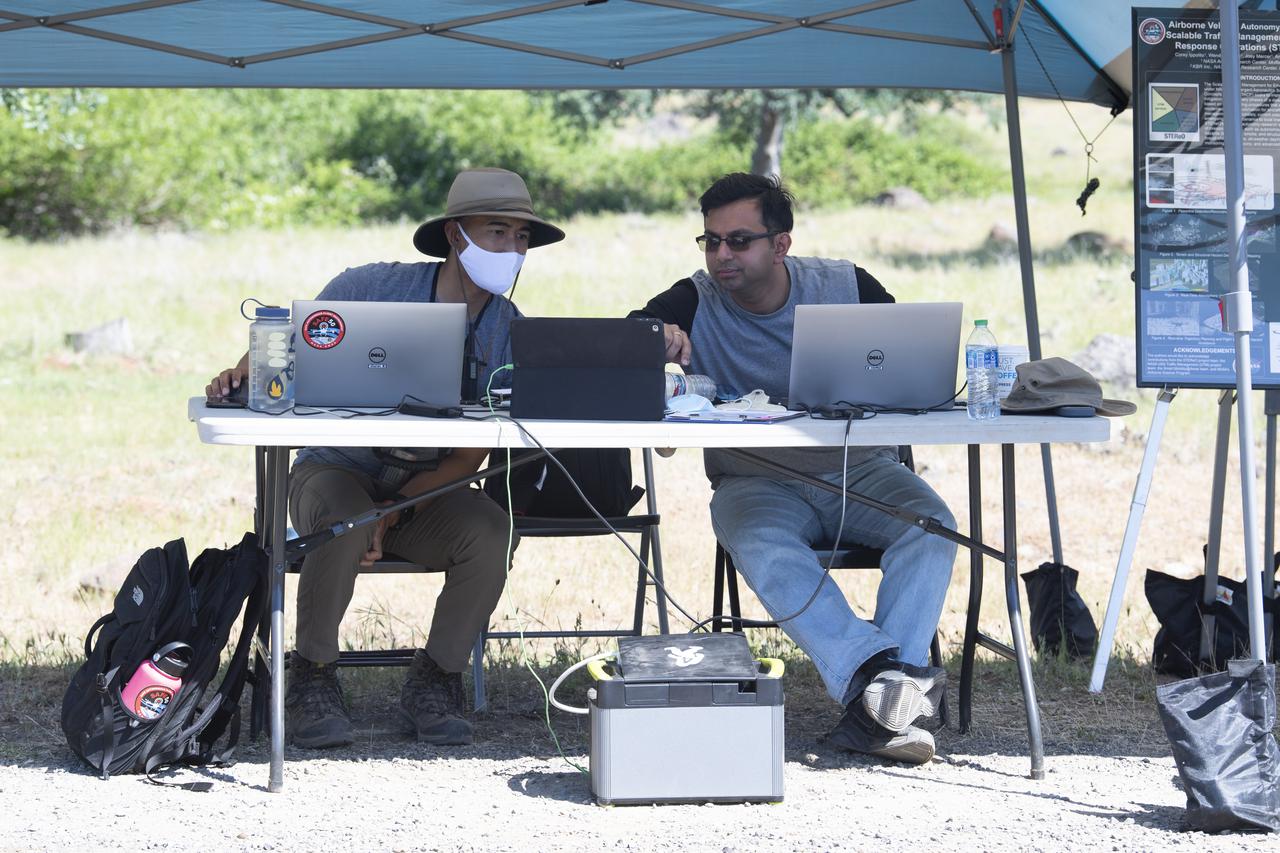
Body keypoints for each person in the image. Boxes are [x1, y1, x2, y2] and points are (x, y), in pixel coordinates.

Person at [206, 168, 564, 749]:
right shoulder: (368, 286)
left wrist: (395, 507)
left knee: (491, 529)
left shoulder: (510, 332)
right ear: (456, 234)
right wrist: (239, 373)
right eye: (497, 232)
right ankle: (313, 678)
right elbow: (282, 351)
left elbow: (473, 454)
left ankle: (436, 679)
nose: (512, 250)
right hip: (333, 473)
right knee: (346, 521)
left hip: (428, 493)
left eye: (522, 239)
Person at [629, 173, 957, 765]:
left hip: (858, 470)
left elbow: (915, 357)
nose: (720, 255)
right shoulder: (693, 298)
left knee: (930, 525)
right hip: (753, 479)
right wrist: (656, 337)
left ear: (780, 245)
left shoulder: (844, 284)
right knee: (762, 543)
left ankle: (880, 705)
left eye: (738, 240)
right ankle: (885, 685)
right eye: (709, 241)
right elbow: (626, 337)